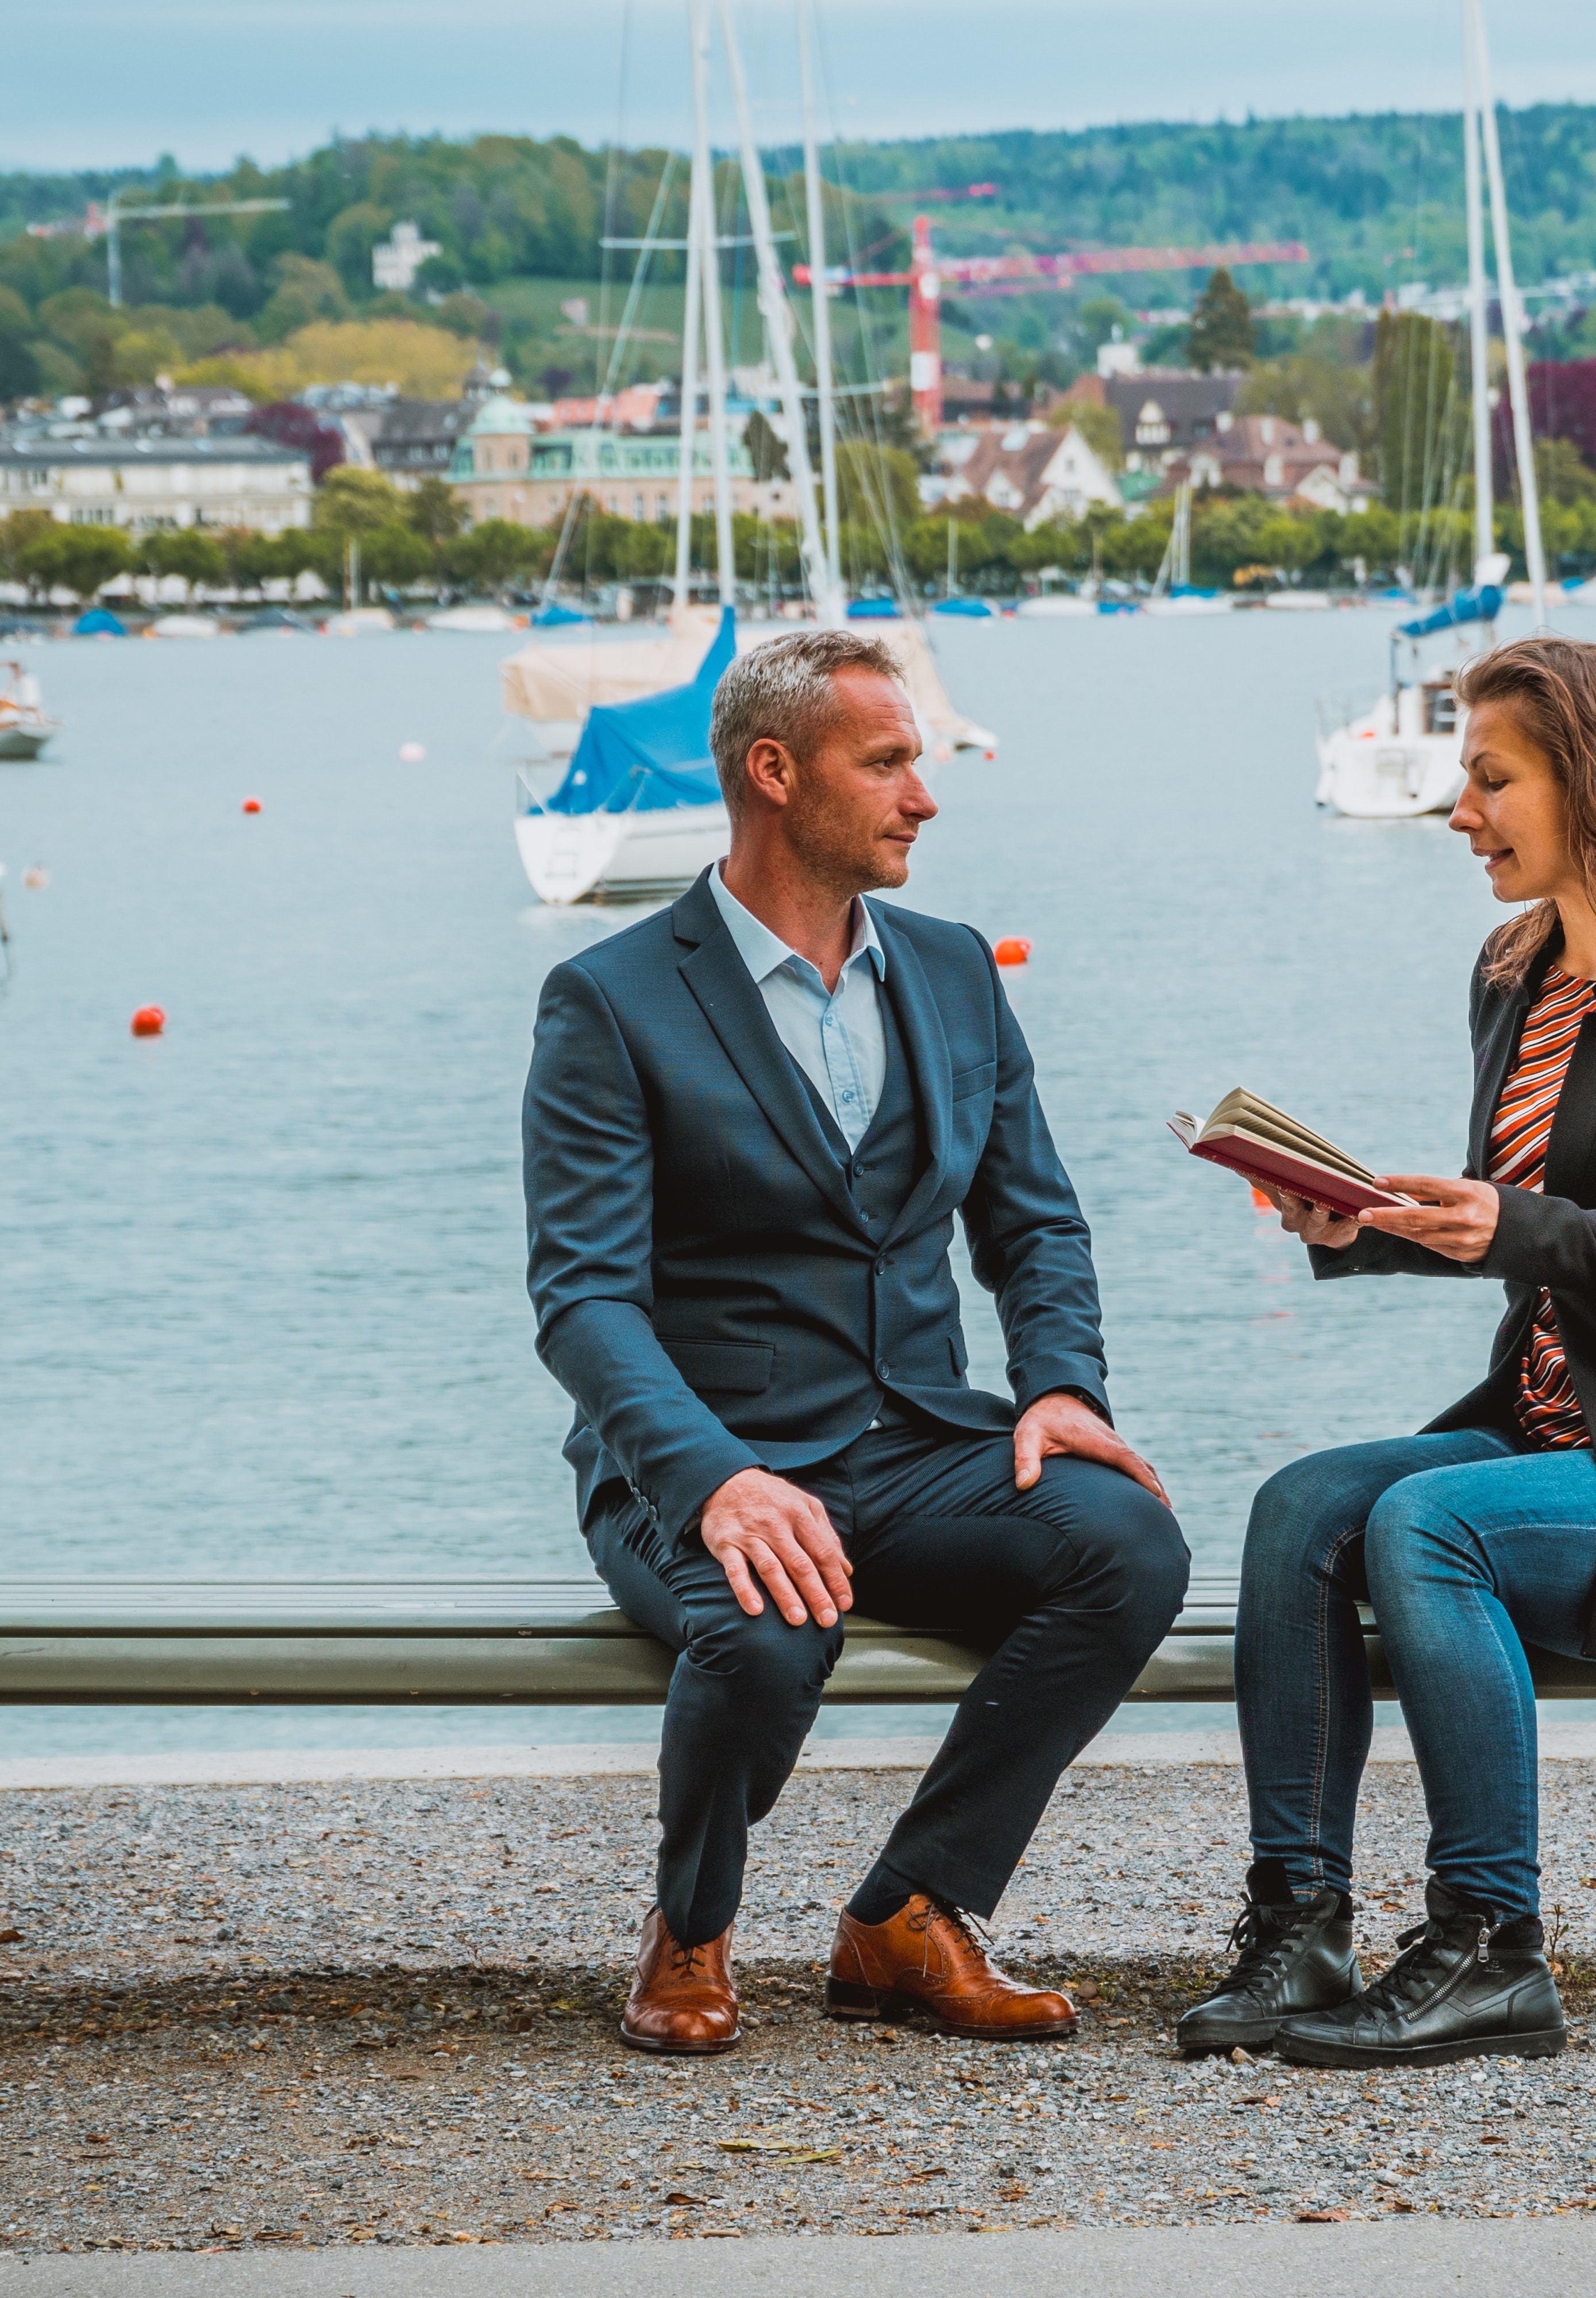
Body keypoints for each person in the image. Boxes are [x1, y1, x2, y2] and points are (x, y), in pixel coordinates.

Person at [1178, 634, 1596, 2070]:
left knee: (1429, 1520)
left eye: (1491, 778)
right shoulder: (1517, 974)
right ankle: (1299, 1922)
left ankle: (1493, 1943)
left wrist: (1518, 1223)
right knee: (1301, 1502)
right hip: (1551, 1434)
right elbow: (1507, 1232)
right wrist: (1351, 1223)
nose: (1460, 810)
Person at [523, 626, 1189, 2058]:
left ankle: (912, 1909)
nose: (922, 796)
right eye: (886, 761)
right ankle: (691, 1927)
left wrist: (1062, 1383)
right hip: (701, 1465)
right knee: (767, 1627)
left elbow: (1036, 1226)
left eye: (919, 762)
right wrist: (713, 1479)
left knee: (1128, 1544)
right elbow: (584, 1298)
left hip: (915, 1446)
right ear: (776, 773)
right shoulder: (611, 999)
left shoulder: (953, 972)